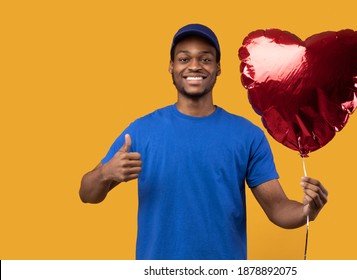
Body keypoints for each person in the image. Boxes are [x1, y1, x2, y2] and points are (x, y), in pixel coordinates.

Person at [79, 23, 328, 260]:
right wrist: (104, 173)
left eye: (205, 59)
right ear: (171, 66)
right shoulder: (141, 131)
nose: (195, 66)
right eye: (184, 58)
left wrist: (306, 212)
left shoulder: (248, 135)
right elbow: (87, 194)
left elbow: (278, 209)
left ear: (218, 68)